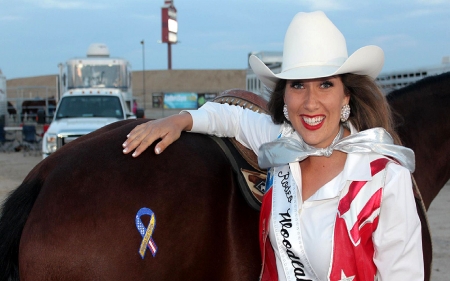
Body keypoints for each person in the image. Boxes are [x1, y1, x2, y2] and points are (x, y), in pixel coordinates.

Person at [122, 11, 423, 281]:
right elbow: (231, 118)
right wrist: (180, 120)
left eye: (326, 84)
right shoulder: (282, 141)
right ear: (285, 95)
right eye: (298, 85)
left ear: (346, 96)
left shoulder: (384, 179)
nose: (310, 102)